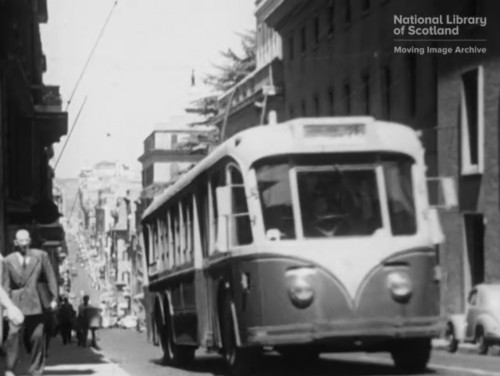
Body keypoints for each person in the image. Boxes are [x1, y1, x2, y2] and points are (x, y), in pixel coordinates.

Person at [2, 229, 58, 376]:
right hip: (16, 304)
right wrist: (6, 307)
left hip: (36, 303)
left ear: (30, 241)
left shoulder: (41, 256)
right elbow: (6, 284)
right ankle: (10, 368)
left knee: (38, 337)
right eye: (21, 241)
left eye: (27, 241)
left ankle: (36, 371)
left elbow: (50, 277)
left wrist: (54, 298)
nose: (24, 244)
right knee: (13, 335)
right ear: (15, 243)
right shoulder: (8, 260)